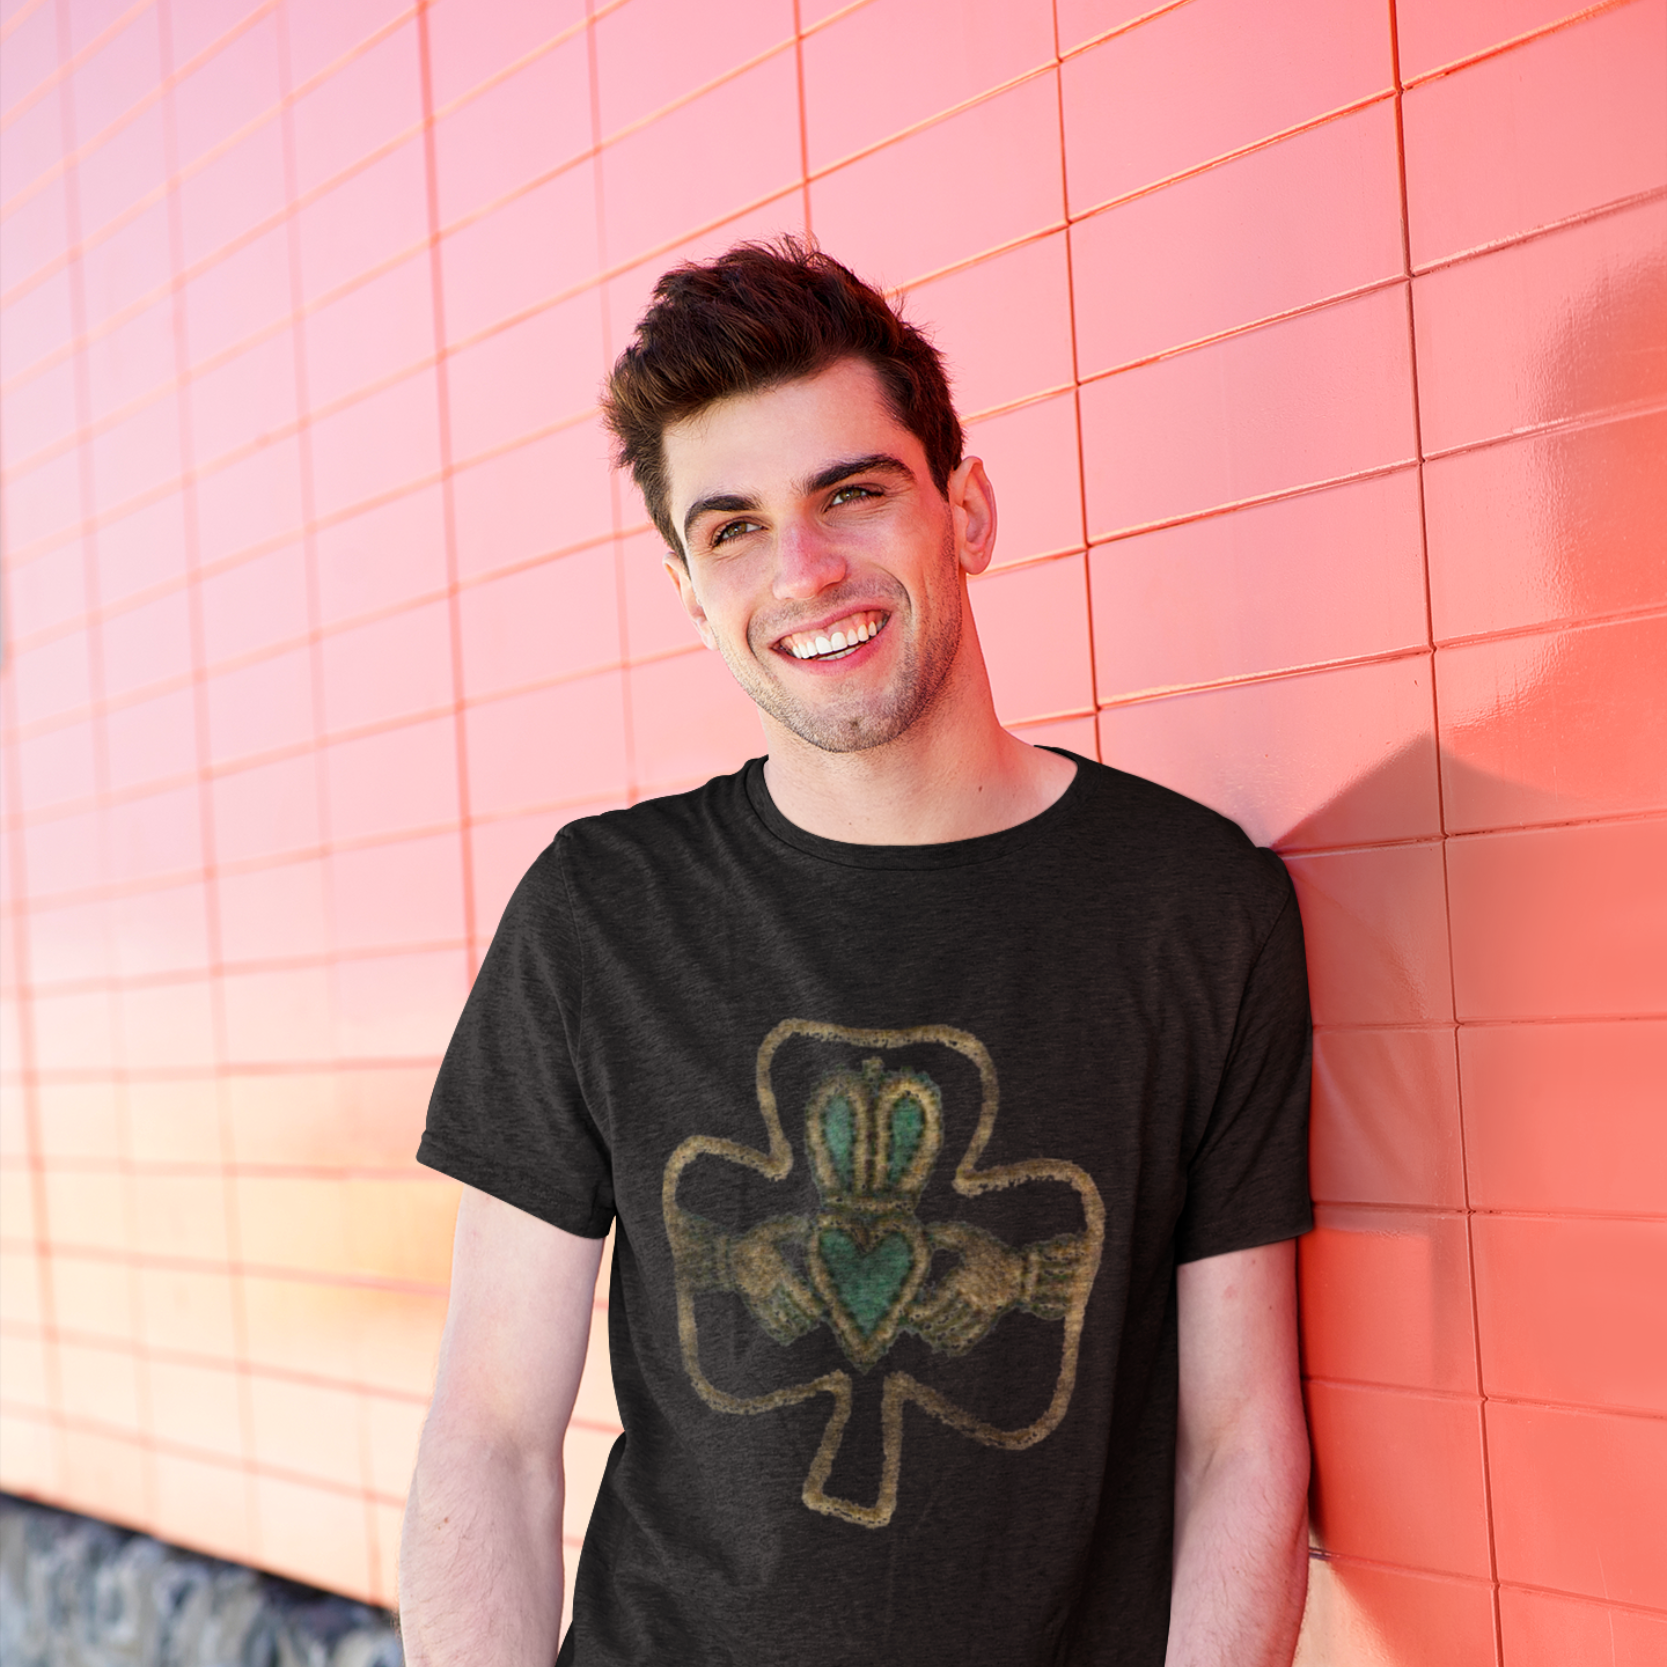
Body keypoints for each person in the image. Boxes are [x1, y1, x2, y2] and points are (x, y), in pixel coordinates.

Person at [400, 239, 1313, 1666]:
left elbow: (1239, 1440)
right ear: (689, 591)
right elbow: (493, 1435)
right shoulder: (599, 918)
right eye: (733, 529)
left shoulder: (1192, 910)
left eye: (851, 492)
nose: (804, 569)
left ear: (967, 506)